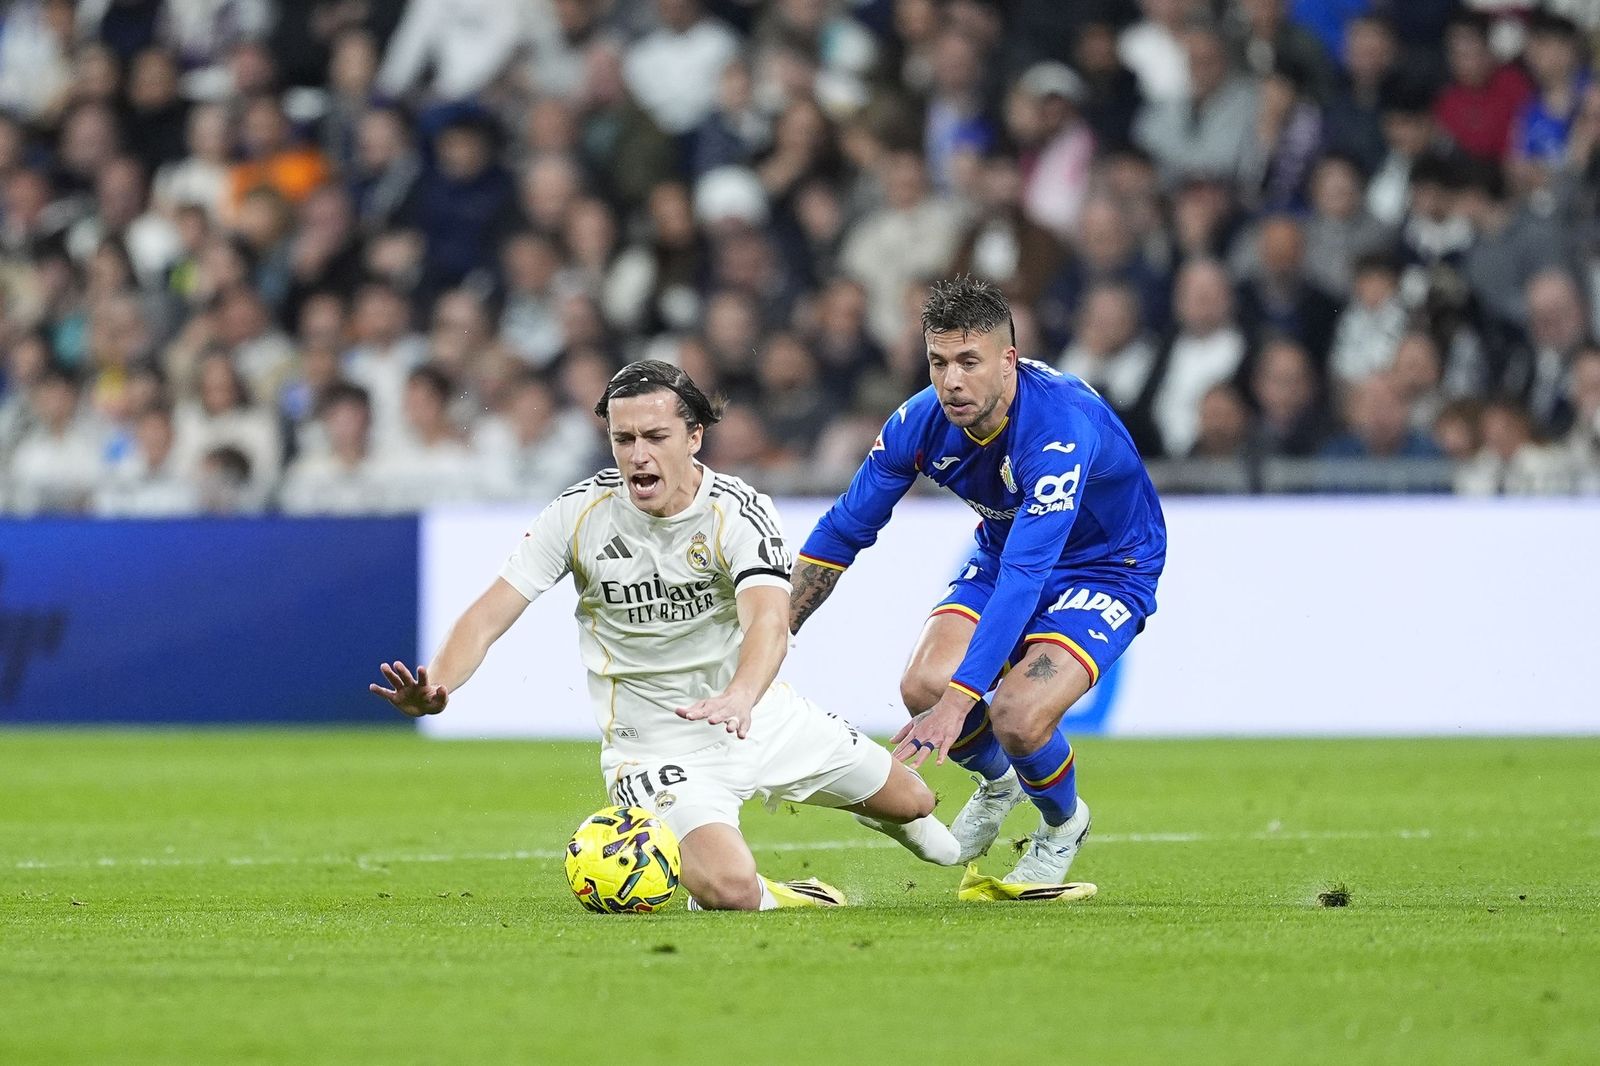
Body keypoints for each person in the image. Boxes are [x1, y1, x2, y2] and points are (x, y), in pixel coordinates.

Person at [369, 360, 959, 911]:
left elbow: (769, 622)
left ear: (694, 437)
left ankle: (867, 807)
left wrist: (742, 696)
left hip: (758, 713)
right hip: (653, 748)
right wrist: (438, 682)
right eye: (624, 440)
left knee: (922, 811)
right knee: (731, 890)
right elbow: (489, 613)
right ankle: (787, 895)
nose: (637, 456)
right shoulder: (578, 514)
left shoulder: (738, 512)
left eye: (655, 437)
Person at [789, 276, 1167, 895]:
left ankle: (1063, 823)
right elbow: (843, 529)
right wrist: (778, 628)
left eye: (969, 362)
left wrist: (961, 704)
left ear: (1008, 360)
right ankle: (1001, 781)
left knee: (1017, 715)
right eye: (939, 362)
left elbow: (1027, 576)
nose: (951, 381)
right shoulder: (919, 422)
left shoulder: (1058, 429)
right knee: (921, 685)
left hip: (1107, 567)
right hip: (1003, 554)